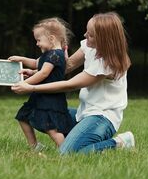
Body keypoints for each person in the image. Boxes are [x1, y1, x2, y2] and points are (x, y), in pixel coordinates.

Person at [11, 12, 135, 154]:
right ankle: (83, 138)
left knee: (67, 153)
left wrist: (31, 87)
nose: (85, 35)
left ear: (104, 39)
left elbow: (70, 84)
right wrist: (34, 73)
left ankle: (119, 142)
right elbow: (67, 67)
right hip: (84, 113)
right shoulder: (89, 47)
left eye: (91, 34)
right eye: (87, 31)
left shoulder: (107, 64)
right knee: (35, 112)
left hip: (103, 118)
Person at [9, 18, 75, 151]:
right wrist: (22, 60)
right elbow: (36, 64)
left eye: (39, 40)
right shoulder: (49, 54)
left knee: (52, 129)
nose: (37, 43)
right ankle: (35, 147)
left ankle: (65, 151)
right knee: (23, 117)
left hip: (50, 98)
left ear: (51, 38)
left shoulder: (55, 55)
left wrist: (24, 83)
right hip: (40, 95)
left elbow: (44, 73)